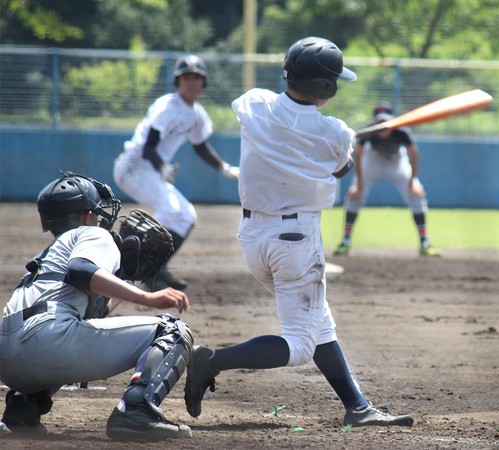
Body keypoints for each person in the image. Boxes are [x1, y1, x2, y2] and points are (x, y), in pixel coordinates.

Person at [183, 36, 413, 428]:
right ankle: (212, 360)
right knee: (301, 344)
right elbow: (341, 166)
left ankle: (357, 406)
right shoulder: (336, 133)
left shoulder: (254, 103)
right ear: (327, 88)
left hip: (253, 238)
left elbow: (294, 129)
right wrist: (353, 141)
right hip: (296, 242)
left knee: (318, 323)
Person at [0, 172, 194, 440]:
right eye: (96, 211)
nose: (101, 217)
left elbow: (94, 313)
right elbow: (80, 270)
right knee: (172, 329)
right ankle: (135, 412)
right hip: (46, 341)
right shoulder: (91, 233)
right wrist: (147, 298)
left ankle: (24, 407)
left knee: (71, 326)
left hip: (9, 361)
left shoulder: (48, 255)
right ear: (84, 216)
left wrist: (127, 282)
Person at [113, 54, 239, 291]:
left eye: (196, 77)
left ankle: (155, 272)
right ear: (177, 81)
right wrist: (163, 167)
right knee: (170, 209)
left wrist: (224, 168)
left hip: (152, 170)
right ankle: (125, 260)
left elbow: (200, 146)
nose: (191, 81)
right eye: (186, 77)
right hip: (133, 167)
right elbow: (149, 146)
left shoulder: (197, 114)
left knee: (187, 216)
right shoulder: (166, 107)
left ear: (203, 83)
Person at [333, 103, 441, 257]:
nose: (382, 125)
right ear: (374, 122)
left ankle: (425, 244)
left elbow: (414, 155)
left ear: (393, 121)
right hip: (372, 163)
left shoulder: (402, 131)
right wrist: (359, 186)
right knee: (354, 198)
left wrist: (412, 183)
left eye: (385, 122)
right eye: (379, 122)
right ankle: (345, 243)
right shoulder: (367, 132)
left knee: (417, 196)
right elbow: (358, 156)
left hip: (397, 163)